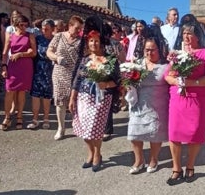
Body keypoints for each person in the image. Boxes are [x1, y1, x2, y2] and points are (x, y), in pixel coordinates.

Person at [164, 15, 205, 185]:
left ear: (197, 36)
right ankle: (176, 168)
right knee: (174, 133)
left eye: (190, 33)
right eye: (184, 33)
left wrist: (191, 82)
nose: (186, 37)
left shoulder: (204, 53)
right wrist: (173, 79)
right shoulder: (177, 54)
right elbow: (167, 74)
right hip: (178, 97)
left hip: (197, 98)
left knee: (194, 133)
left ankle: (190, 166)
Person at [69, 28, 120, 172]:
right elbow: (77, 80)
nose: (93, 44)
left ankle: (97, 154)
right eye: (91, 41)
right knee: (84, 128)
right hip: (83, 97)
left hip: (102, 98)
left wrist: (106, 84)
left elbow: (118, 80)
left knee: (95, 127)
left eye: (96, 41)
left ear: (101, 43)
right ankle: (90, 152)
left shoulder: (110, 59)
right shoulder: (85, 59)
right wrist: (72, 98)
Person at [128, 34, 169, 175]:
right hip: (139, 103)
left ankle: (153, 159)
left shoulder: (166, 66)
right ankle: (139, 160)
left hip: (158, 104)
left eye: (152, 50)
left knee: (155, 133)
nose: (149, 53)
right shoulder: (137, 64)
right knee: (134, 133)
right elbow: (128, 81)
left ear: (159, 49)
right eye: (147, 50)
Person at [46, 15, 84, 140]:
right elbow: (49, 51)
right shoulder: (59, 36)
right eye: (77, 28)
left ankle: (77, 126)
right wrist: (56, 58)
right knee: (60, 101)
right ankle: (61, 128)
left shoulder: (81, 40)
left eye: (80, 29)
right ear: (70, 26)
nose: (79, 31)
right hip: (59, 73)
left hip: (75, 74)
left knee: (76, 101)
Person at [0, 14, 37, 130]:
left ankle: (20, 116)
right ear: (16, 25)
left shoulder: (30, 36)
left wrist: (21, 54)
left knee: (21, 92)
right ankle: (7, 117)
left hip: (25, 66)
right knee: (9, 91)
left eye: (26, 25)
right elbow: (5, 53)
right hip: (12, 66)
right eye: (21, 25)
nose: (24, 27)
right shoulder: (10, 36)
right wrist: (4, 67)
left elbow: (34, 53)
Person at [27, 19, 55, 130]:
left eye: (47, 29)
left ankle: (46, 118)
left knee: (47, 96)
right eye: (43, 29)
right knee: (35, 95)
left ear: (52, 29)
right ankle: (35, 119)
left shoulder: (55, 40)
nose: (44, 31)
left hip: (49, 70)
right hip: (38, 70)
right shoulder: (38, 39)